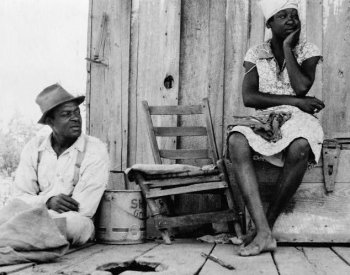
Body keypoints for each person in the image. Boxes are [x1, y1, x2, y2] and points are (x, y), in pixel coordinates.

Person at [227, 0, 325, 256]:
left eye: (294, 15)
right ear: (269, 23)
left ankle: (264, 229)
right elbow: (250, 98)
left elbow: (302, 86)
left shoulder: (308, 50)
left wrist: (286, 47)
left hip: (299, 118)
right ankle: (263, 230)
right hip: (267, 116)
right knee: (237, 139)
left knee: (301, 145)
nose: (291, 19)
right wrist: (295, 101)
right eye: (283, 15)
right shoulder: (255, 53)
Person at [12, 83, 109, 245]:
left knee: (74, 225)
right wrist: (48, 201)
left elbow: (83, 208)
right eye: (66, 114)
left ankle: (18, 238)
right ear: (50, 121)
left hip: (73, 222)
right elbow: (19, 197)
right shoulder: (34, 147)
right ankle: (28, 239)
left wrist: (37, 208)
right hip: (35, 217)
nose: (76, 118)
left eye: (77, 112)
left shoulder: (95, 149)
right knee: (7, 213)